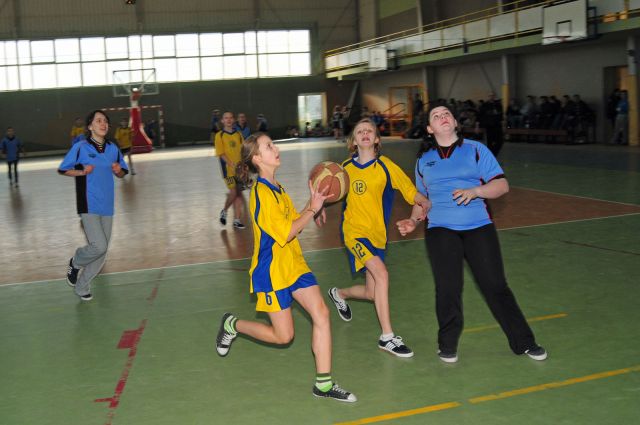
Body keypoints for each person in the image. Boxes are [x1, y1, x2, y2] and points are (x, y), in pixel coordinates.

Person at [397, 105, 547, 363]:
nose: (443, 117)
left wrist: (476, 192)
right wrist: (413, 220)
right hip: (440, 228)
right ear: (430, 129)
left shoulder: (477, 149)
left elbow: (502, 185)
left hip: (479, 226)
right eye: (436, 116)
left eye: (446, 114)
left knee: (495, 286)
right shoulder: (424, 160)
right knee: (448, 288)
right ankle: (447, 345)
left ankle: (524, 342)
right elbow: (423, 200)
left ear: (455, 122)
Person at [215, 132, 356, 403]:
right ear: (257, 158)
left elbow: (293, 223)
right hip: (272, 272)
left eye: (273, 144)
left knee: (321, 314)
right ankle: (232, 325)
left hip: (294, 264)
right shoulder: (261, 194)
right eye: (269, 146)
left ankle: (324, 384)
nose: (275, 148)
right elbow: (287, 232)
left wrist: (313, 206)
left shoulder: (277, 188)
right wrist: (311, 211)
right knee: (283, 336)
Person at [326, 119, 430, 358]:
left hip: (377, 237)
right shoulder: (344, 168)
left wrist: (422, 201)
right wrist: (320, 208)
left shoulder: (386, 166)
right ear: (353, 141)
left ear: (376, 139)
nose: (364, 133)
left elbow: (410, 191)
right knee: (382, 274)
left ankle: (339, 294)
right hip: (353, 233)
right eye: (359, 131)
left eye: (369, 131)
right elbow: (332, 192)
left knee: (373, 293)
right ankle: (387, 337)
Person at [58, 110, 128, 301]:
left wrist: (118, 170)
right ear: (90, 126)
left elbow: (123, 172)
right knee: (99, 245)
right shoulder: (80, 147)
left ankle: (82, 287)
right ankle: (76, 261)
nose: (103, 124)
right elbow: (63, 169)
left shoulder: (113, 148)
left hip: (107, 205)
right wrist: (82, 172)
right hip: (88, 203)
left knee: (102, 253)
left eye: (105, 121)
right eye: (98, 121)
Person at [214, 111, 246, 229]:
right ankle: (224, 210)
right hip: (228, 170)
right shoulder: (219, 135)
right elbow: (221, 153)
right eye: (226, 118)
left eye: (231, 118)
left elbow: (243, 150)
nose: (228, 120)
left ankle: (237, 220)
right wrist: (231, 164)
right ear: (222, 121)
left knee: (239, 194)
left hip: (240, 169)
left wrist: (244, 165)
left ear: (233, 120)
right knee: (233, 192)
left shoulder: (238, 134)